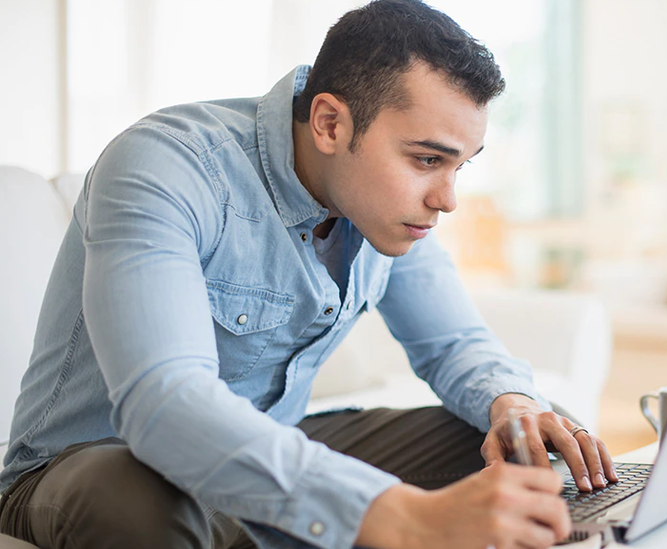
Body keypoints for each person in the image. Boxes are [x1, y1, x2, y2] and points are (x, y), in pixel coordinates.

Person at [0, 1, 617, 548]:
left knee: (525, 443)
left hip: (270, 452)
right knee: (135, 498)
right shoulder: (168, 166)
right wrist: (394, 514)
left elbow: (455, 345)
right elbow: (164, 404)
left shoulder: (383, 209)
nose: (447, 198)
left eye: (461, 166)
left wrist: (510, 401)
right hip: (99, 467)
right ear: (330, 123)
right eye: (428, 159)